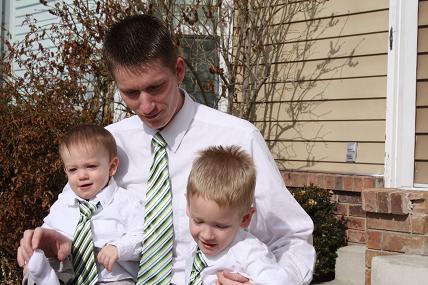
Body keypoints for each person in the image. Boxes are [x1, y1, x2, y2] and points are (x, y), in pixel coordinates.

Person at [17, 14, 315, 285]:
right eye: (131, 93)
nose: (145, 106)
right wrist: (52, 239)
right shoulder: (108, 144)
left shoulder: (239, 138)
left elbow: (292, 238)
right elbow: (73, 212)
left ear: (179, 70)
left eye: (156, 87)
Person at [23, 124, 144, 285]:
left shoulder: (126, 203)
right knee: (38, 267)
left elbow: (143, 235)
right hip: (68, 276)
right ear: (66, 171)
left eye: (91, 166)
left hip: (113, 278)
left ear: (112, 167)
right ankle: (47, 279)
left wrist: (119, 248)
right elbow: (47, 231)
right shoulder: (63, 203)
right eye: (73, 170)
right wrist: (35, 248)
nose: (82, 175)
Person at [185, 145, 292, 285]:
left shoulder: (249, 252)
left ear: (245, 218)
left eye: (220, 226)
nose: (206, 234)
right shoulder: (196, 245)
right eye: (198, 221)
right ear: (188, 207)